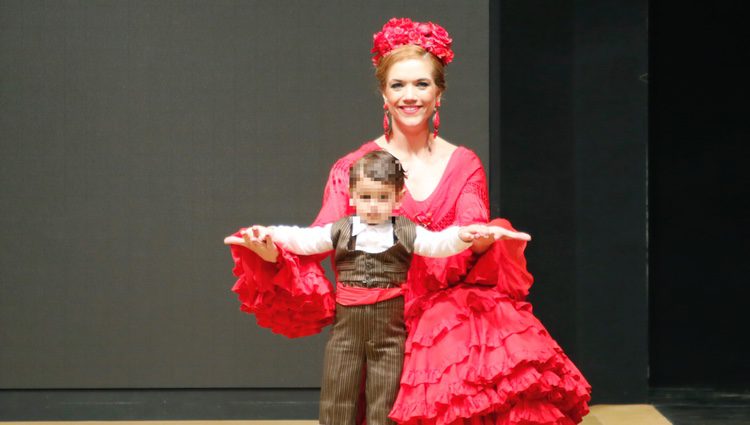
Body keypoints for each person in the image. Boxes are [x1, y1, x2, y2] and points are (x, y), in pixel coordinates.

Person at [225, 17, 591, 425]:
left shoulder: (464, 163)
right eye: (398, 85)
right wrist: (270, 249)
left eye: (422, 84)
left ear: (440, 94)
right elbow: (322, 235)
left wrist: (483, 237)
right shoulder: (354, 166)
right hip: (381, 317)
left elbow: (467, 228)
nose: (410, 96)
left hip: (446, 317)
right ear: (383, 95)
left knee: (491, 352)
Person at [226, 150, 529, 424]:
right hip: (346, 333)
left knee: (385, 399)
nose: (373, 206)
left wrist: (465, 235)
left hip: (390, 334)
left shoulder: (407, 231)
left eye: (382, 198)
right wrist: (268, 235)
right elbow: (302, 240)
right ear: (353, 197)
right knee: (338, 393)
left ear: (398, 199)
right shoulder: (339, 229)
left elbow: (439, 245)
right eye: (366, 197)